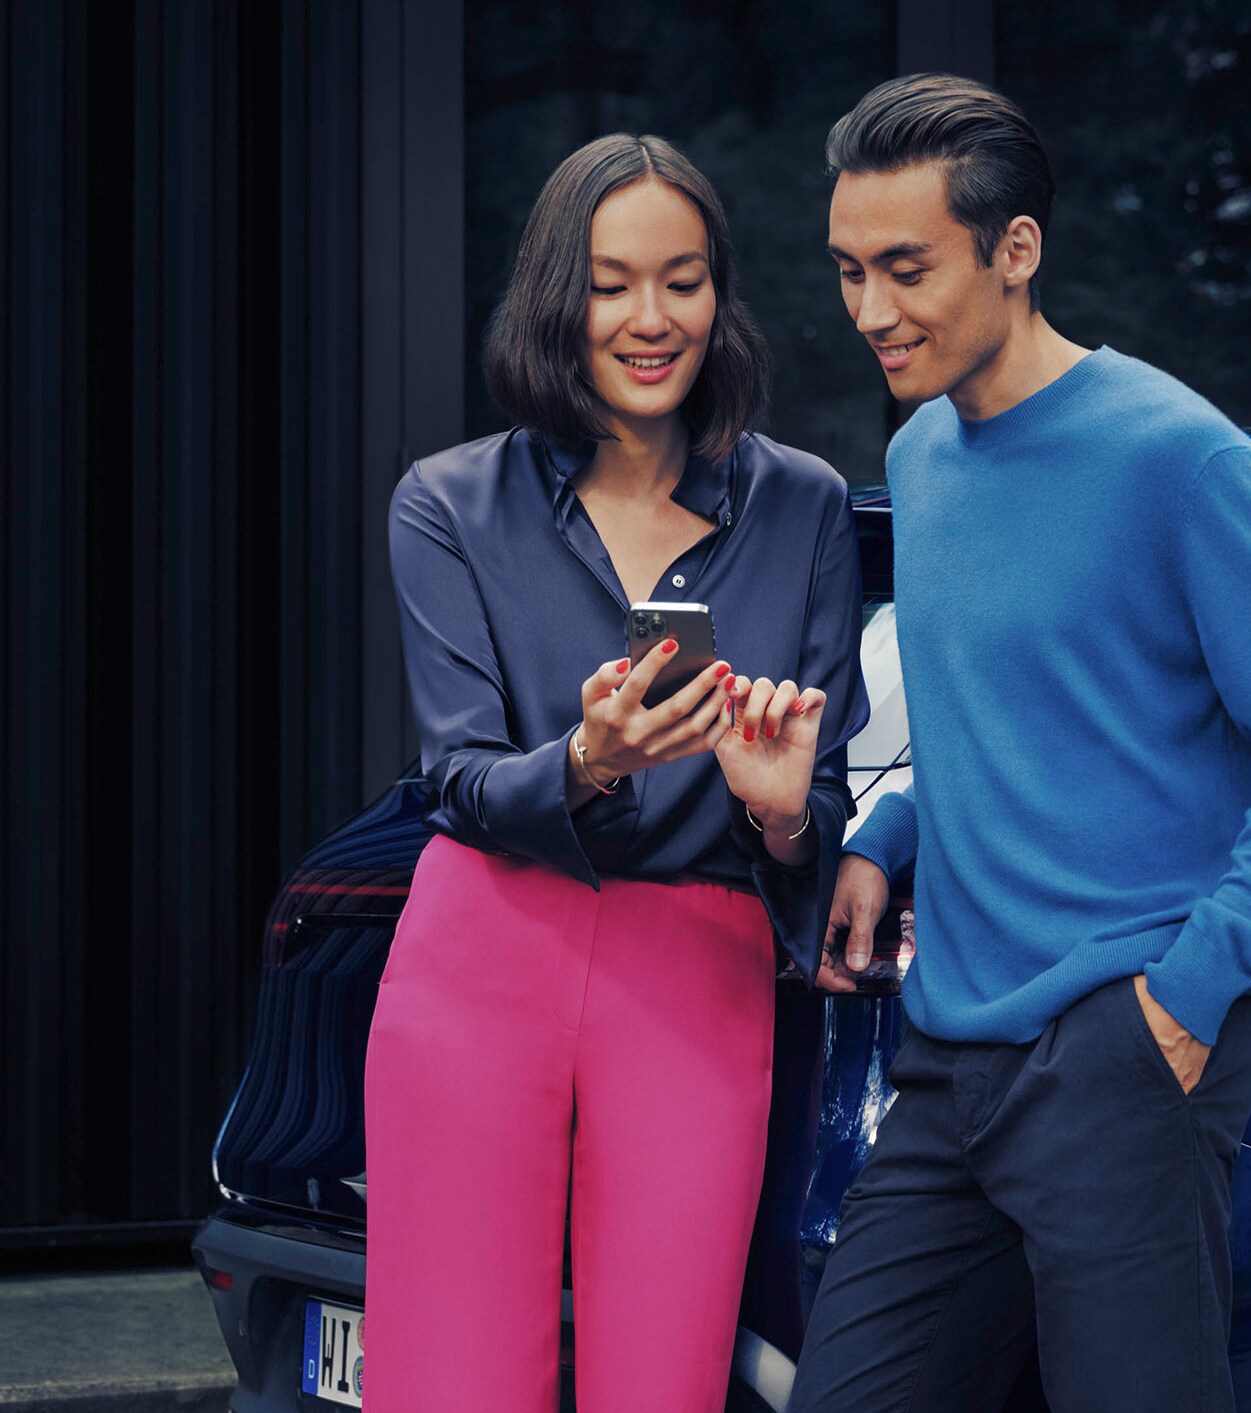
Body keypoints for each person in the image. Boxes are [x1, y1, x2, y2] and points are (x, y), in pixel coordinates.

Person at [788, 75, 1251, 1412]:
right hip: (950, 1059)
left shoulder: (1179, 461)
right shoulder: (928, 460)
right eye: (847, 272)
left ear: (1016, 251)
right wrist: (890, 837)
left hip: (1125, 1051)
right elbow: (1008, 719)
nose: (871, 311)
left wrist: (1190, 990)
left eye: (904, 268)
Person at [364, 134, 867, 1413]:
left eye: (684, 280)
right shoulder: (446, 505)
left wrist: (780, 811)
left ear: (720, 293)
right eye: (611, 282)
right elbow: (459, 777)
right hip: (482, 952)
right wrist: (587, 758)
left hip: (696, 975)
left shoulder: (803, 505)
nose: (652, 319)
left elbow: (817, 811)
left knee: (664, 1382)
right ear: (555, 296)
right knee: (453, 1382)